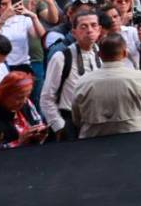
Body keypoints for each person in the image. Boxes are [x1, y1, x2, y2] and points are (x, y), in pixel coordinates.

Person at [70, 33, 141, 139]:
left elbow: (76, 117)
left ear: (99, 55)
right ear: (124, 53)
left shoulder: (83, 81)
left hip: (93, 139)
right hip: (132, 136)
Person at [39, 11, 105, 141]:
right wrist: (59, 127)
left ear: (100, 30)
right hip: (71, 123)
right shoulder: (61, 57)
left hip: (100, 122)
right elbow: (47, 97)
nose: (89, 30)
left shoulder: (104, 54)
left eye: (93, 25)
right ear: (74, 32)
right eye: (83, 26)